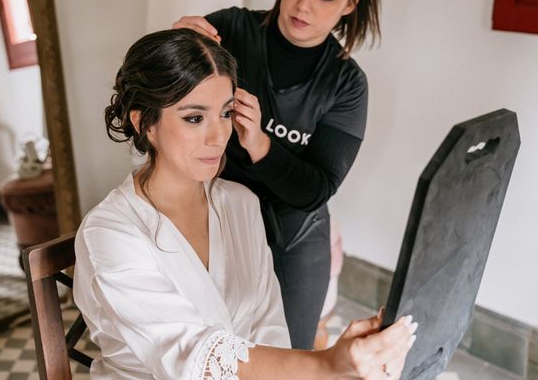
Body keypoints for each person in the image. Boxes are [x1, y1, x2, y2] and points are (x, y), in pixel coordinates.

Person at [73, 29, 416, 380]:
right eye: (194, 118)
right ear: (143, 122)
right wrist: (326, 365)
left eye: (224, 114)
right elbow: (193, 353)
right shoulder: (109, 234)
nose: (218, 136)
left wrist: (345, 365)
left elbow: (270, 327)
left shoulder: (240, 204)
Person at [173, 0, 379, 349]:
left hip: (295, 232)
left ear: (350, 2)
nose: (303, 5)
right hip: (218, 218)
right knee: (211, 351)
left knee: (289, 356)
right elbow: (162, 92)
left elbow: (316, 188)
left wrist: (262, 145)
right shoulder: (230, 31)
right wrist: (175, 44)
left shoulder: (346, 85)